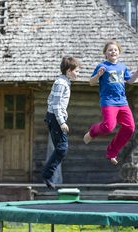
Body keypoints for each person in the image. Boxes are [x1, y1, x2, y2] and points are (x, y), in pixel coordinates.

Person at [83, 40, 138, 165]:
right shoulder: (102, 66)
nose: (113, 51)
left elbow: (130, 81)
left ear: (119, 53)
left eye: (115, 50)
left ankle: (112, 152)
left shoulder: (122, 67)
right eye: (110, 50)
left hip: (122, 102)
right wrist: (98, 75)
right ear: (105, 53)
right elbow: (91, 82)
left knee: (129, 128)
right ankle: (93, 131)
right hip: (108, 101)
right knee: (108, 127)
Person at [42, 56, 80, 189]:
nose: (78, 73)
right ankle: (47, 174)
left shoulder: (63, 82)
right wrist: (62, 121)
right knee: (62, 148)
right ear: (69, 71)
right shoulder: (61, 83)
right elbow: (56, 105)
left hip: (53, 117)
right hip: (56, 118)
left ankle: (47, 174)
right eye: (77, 71)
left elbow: (50, 100)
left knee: (61, 148)